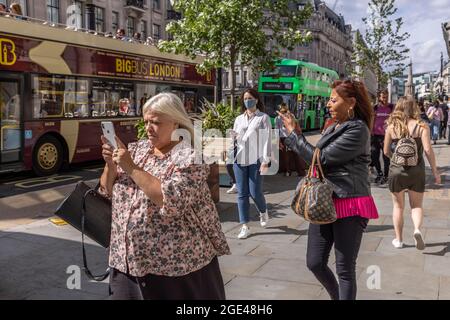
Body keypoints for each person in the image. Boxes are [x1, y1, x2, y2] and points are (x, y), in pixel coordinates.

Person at [99, 92, 230, 300]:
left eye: (156, 122)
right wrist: (111, 166)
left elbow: (171, 199)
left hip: (174, 269)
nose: (149, 128)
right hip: (127, 262)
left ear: (176, 123)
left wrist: (130, 167)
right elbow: (106, 190)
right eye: (146, 121)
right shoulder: (137, 149)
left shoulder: (190, 157)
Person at [278, 79, 379, 300]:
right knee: (314, 262)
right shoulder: (334, 125)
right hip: (324, 201)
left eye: (334, 100)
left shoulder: (358, 129)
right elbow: (314, 155)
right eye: (329, 100)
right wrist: (296, 132)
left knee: (344, 269)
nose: (328, 104)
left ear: (351, 102)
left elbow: (321, 159)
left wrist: (294, 136)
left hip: (349, 201)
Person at [384, 96, 441, 250]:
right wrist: (435, 171)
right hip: (417, 170)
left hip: (396, 170)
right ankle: (416, 229)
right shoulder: (422, 126)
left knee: (398, 207)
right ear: (414, 107)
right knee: (416, 206)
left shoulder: (391, 126)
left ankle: (399, 240)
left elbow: (385, 151)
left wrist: (396, 159)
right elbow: (428, 150)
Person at [232, 88, 271, 239]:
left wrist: (265, 161)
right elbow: (236, 139)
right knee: (242, 194)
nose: (247, 100)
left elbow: (266, 140)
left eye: (250, 98)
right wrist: (234, 137)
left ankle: (263, 211)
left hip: (256, 160)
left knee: (255, 192)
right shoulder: (238, 119)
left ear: (256, 99)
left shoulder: (263, 118)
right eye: (245, 98)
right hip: (239, 159)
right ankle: (244, 226)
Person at [371, 89, 393, 185]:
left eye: (386, 96)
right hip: (375, 135)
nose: (385, 98)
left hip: (387, 136)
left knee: (386, 156)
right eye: (383, 96)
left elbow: (394, 120)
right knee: (374, 155)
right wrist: (370, 131)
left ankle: (386, 175)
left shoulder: (391, 107)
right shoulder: (375, 108)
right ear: (379, 97)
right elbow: (372, 119)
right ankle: (379, 173)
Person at [276, 103, 294, 176]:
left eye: (283, 111)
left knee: (286, 155)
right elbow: (277, 129)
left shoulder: (279, 118)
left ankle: (288, 171)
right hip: (286, 137)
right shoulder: (278, 118)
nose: (282, 113)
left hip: (286, 138)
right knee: (286, 155)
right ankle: (285, 170)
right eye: (282, 111)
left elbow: (277, 130)